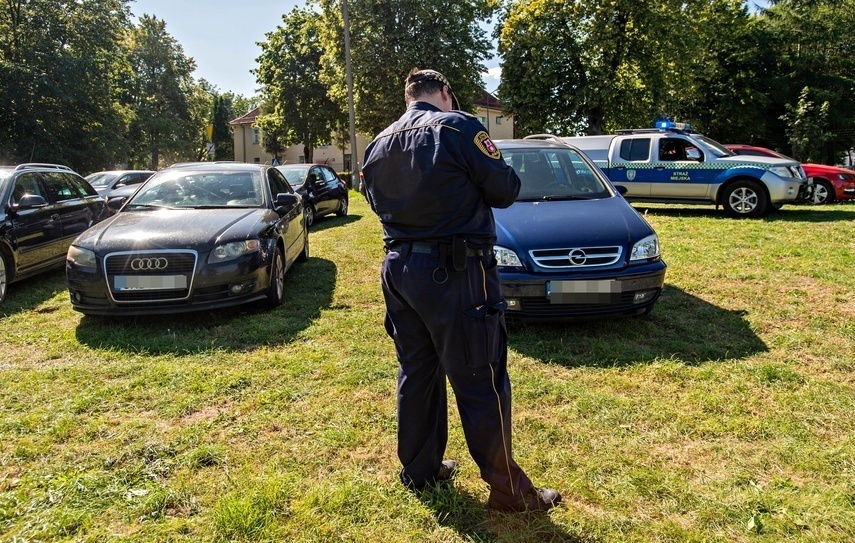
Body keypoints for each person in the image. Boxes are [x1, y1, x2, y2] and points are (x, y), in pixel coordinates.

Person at [361, 68, 562, 512]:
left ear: (408, 96)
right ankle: (509, 492)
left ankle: (420, 469)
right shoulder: (458, 126)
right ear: (445, 93)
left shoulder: (378, 142)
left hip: (399, 269)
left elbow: (371, 198)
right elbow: (504, 189)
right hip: (455, 270)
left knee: (417, 370)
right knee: (481, 376)